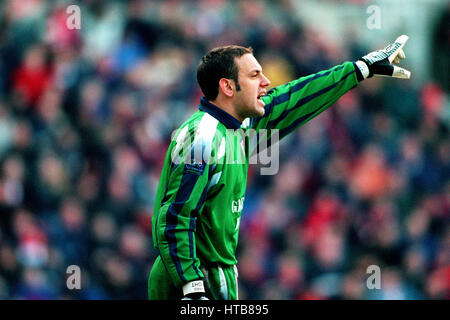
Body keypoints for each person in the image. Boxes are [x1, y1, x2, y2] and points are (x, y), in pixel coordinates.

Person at [148, 36, 410, 300]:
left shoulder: (239, 128)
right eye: (254, 75)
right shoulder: (201, 137)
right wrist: (192, 286)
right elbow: (173, 218)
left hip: (213, 277)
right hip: (190, 283)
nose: (266, 82)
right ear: (227, 86)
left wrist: (360, 69)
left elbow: (295, 99)